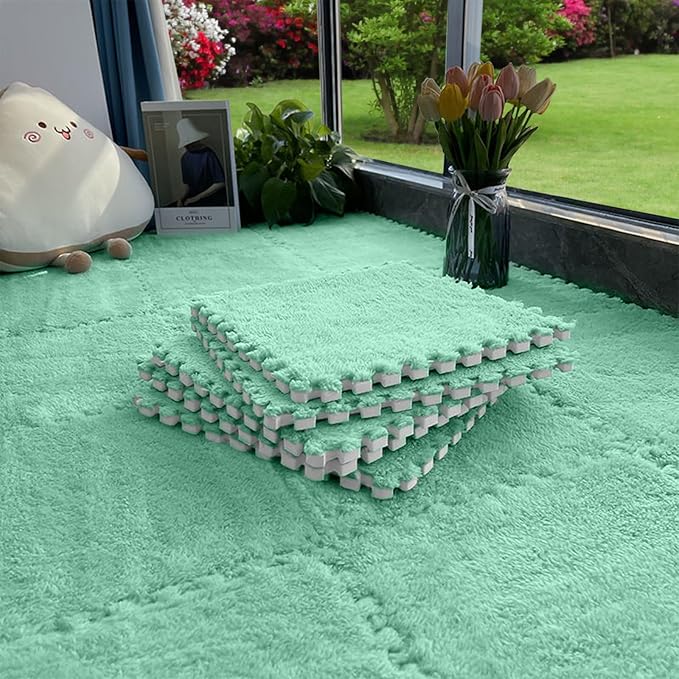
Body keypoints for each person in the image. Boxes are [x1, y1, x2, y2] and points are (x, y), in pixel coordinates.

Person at [175, 118, 228, 207]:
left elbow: (220, 183)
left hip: (212, 201)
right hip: (193, 201)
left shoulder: (208, 154)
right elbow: (188, 185)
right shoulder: (184, 158)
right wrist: (181, 198)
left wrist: (197, 198)